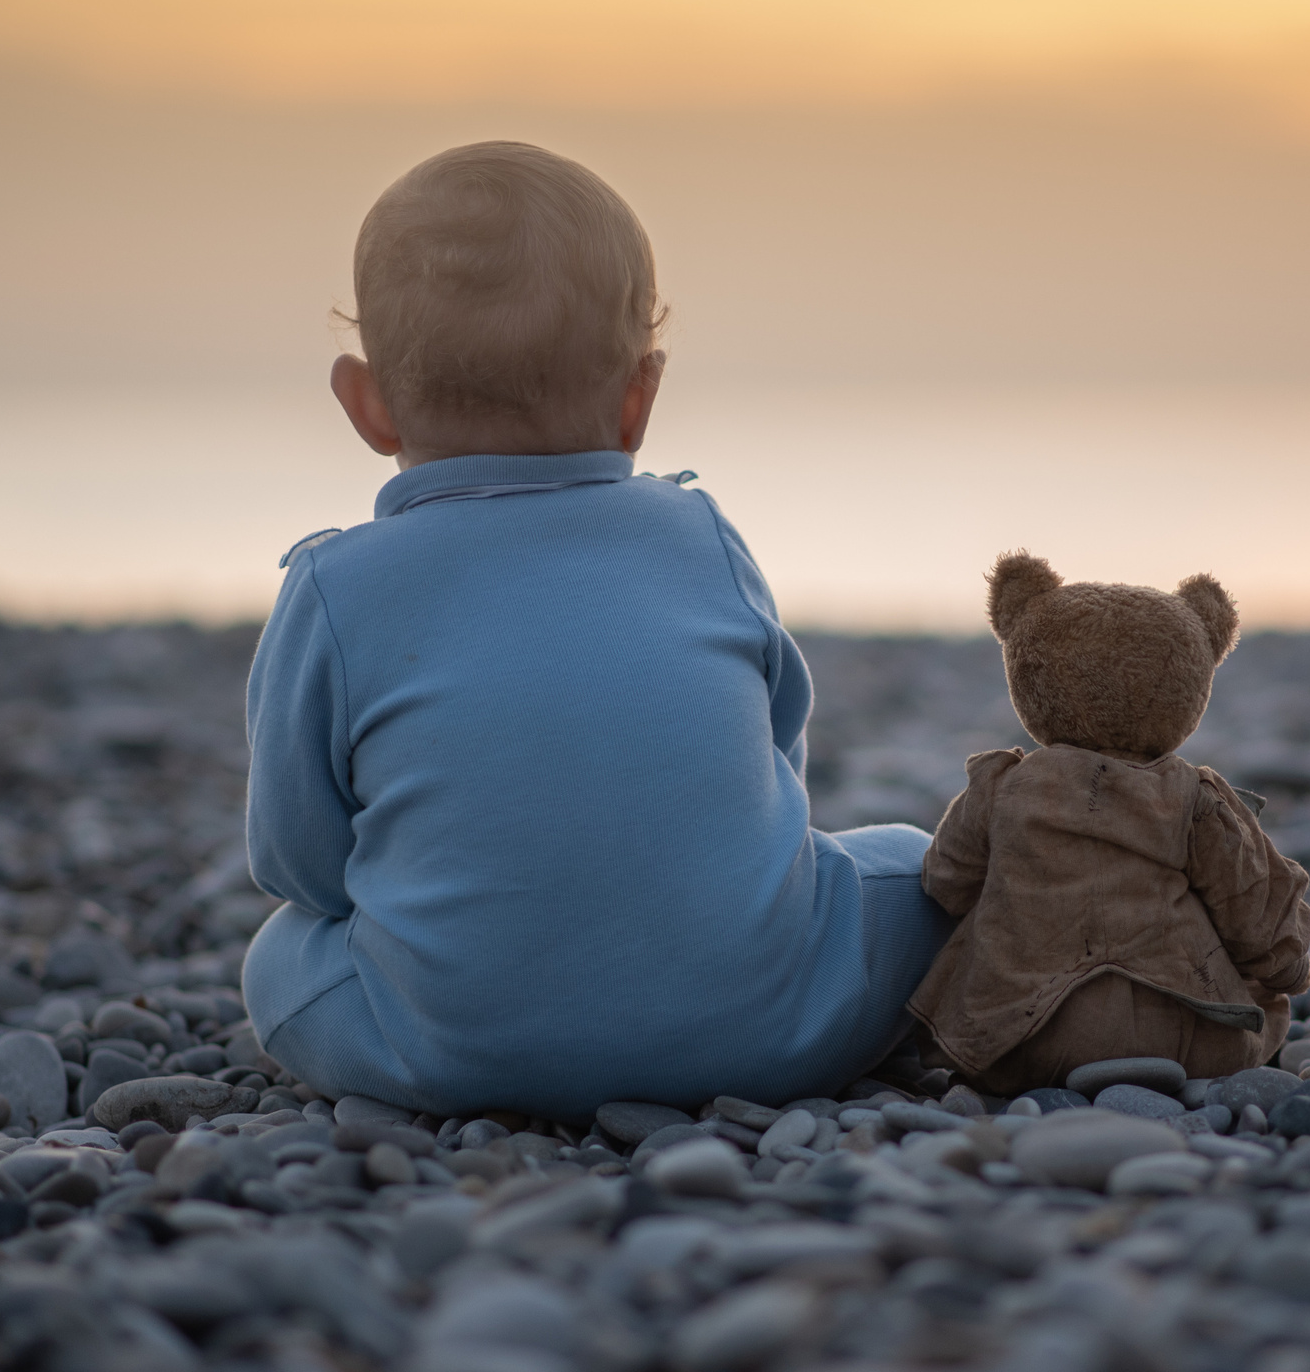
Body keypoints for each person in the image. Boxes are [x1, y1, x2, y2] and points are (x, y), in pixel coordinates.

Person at [240, 142, 951, 1122]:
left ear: (365, 403)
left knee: (280, 953)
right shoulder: (697, 534)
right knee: (912, 862)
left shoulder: (335, 586)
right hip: (769, 1033)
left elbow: (299, 859)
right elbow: (773, 757)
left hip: (455, 1048)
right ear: (637, 398)